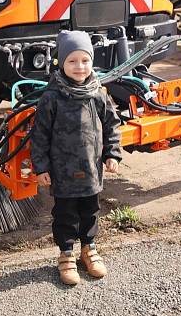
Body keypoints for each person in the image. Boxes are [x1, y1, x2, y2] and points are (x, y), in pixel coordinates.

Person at [30, 30, 122, 286]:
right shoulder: (52, 97)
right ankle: (66, 253)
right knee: (65, 213)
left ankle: (89, 248)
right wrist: (41, 167)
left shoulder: (98, 94)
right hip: (62, 170)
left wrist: (112, 153)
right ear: (61, 63)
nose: (79, 67)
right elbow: (39, 135)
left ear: (92, 62)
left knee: (91, 210)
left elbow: (112, 125)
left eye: (85, 60)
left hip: (91, 168)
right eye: (72, 61)